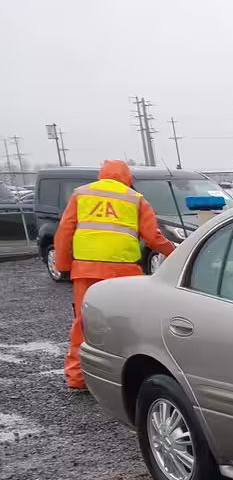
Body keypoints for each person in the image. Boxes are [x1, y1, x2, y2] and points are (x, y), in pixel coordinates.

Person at [54, 160, 176, 390]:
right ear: (127, 177)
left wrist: (63, 265)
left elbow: (65, 231)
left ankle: (77, 378)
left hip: (87, 270)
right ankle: (124, 378)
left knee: (84, 322)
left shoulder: (81, 194)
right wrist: (174, 252)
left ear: (102, 175)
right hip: (124, 271)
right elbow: (152, 237)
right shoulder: (135, 198)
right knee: (126, 323)